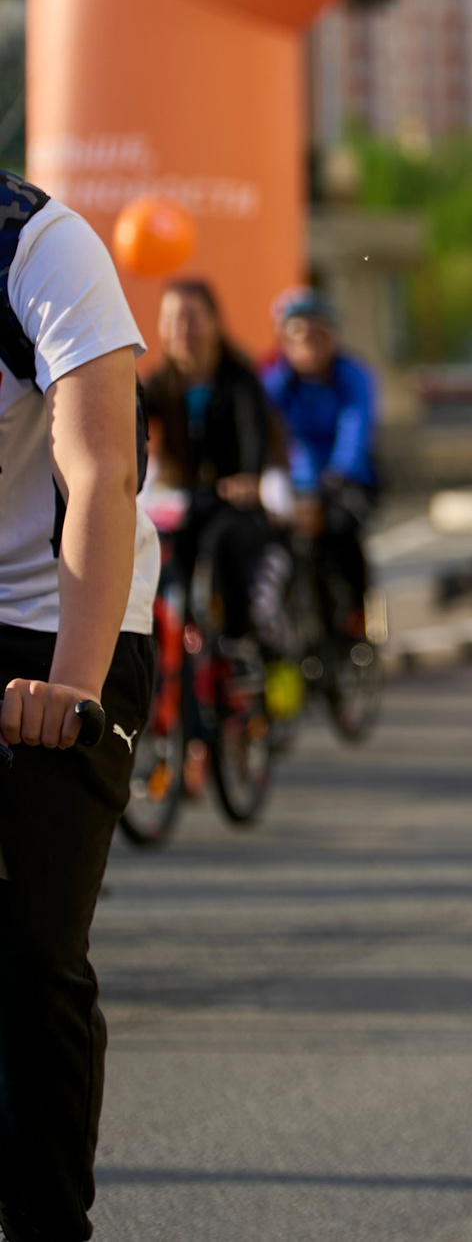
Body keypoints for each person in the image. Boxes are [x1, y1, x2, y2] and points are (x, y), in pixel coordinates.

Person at [0, 173, 161, 1242]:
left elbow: (100, 472)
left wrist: (75, 686)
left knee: (29, 954)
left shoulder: (40, 247)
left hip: (59, 618)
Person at [142, 281, 290, 658]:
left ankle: (241, 643)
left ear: (213, 322)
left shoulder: (240, 378)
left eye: (191, 318)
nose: (182, 329)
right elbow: (134, 428)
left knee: (222, 544)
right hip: (188, 500)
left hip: (235, 504)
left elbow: (253, 436)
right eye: (173, 319)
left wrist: (248, 478)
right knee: (163, 554)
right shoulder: (161, 385)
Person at [261, 287, 378, 647]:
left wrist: (337, 474)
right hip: (296, 479)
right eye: (299, 336)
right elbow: (269, 430)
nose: (309, 345)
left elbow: (355, 427)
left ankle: (356, 616)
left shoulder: (352, 376)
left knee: (343, 531)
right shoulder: (274, 382)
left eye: (318, 335)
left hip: (343, 476)